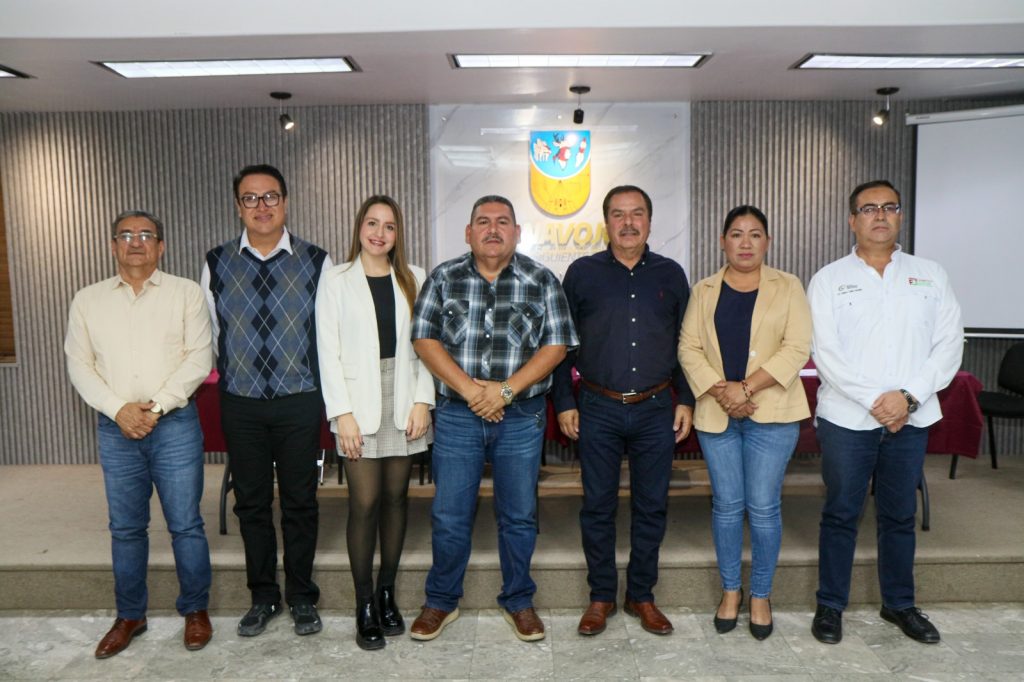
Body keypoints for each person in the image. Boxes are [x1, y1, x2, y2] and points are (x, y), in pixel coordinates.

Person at [409, 195, 577, 642]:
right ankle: (441, 601)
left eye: (503, 222)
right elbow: (424, 339)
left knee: (519, 515)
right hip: (458, 416)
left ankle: (519, 600)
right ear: (468, 233)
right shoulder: (443, 278)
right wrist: (472, 392)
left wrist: (503, 391)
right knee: (449, 514)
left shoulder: (541, 280)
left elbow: (556, 346)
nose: (493, 229)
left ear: (517, 233)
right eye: (483, 221)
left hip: (520, 416)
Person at [808, 180, 963, 645]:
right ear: (852, 220)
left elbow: (949, 343)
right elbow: (825, 353)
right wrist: (880, 401)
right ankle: (830, 605)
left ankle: (899, 604)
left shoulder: (930, 274)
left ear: (900, 216)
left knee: (898, 515)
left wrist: (907, 398)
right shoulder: (829, 279)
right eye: (868, 208)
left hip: (910, 420)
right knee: (841, 513)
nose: (879, 215)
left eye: (889, 207)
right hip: (846, 420)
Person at [65, 210, 213, 658]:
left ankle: (195, 610)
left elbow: (199, 358)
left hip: (174, 425)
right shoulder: (87, 300)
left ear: (161, 246)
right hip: (116, 429)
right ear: (113, 245)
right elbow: (79, 366)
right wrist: (119, 410)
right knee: (127, 528)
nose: (135, 242)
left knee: (186, 524)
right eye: (126, 235)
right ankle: (130, 615)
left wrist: (157, 407)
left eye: (146, 235)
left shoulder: (186, 294)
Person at [552, 185, 694, 637]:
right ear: (606, 222)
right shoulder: (582, 274)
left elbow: (686, 345)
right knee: (597, 506)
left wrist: (686, 399)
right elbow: (561, 345)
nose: (628, 223)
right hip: (598, 407)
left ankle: (641, 595)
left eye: (636, 214)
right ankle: (601, 596)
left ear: (649, 221)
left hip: (656, 408)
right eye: (618, 214)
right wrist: (564, 401)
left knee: (652, 506)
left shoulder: (671, 275)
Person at [200, 164, 332, 637]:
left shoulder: (317, 261)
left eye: (270, 196)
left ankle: (301, 596)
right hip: (241, 403)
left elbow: (327, 335)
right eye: (250, 198)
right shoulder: (216, 263)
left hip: (299, 399)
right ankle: (263, 596)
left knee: (300, 503)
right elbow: (211, 336)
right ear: (238, 207)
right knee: (252, 504)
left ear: (286, 202)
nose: (262, 206)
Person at [678, 205, 811, 640]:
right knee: (727, 506)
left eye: (755, 234)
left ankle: (761, 595)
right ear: (723, 242)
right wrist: (723, 392)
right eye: (737, 234)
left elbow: (797, 348)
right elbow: (688, 348)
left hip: (773, 414)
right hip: (718, 414)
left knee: (764, 507)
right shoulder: (703, 290)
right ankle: (731, 591)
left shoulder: (788, 286)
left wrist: (746, 389)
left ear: (767, 242)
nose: (746, 242)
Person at [316, 195, 434, 650]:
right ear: (359, 228)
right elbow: (327, 351)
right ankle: (363, 602)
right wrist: (341, 414)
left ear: (398, 234)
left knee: (396, 499)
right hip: (356, 402)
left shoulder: (415, 278)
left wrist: (423, 400)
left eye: (389, 226)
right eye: (372, 223)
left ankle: (387, 594)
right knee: (364, 502)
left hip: (403, 395)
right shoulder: (335, 279)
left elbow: (429, 344)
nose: (379, 233)